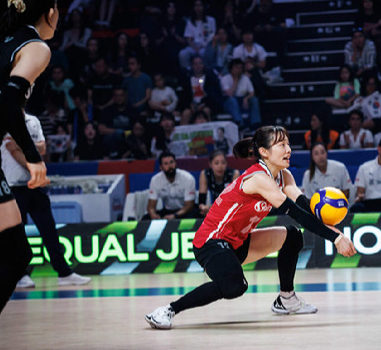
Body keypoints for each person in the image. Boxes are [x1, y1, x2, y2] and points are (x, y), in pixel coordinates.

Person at [145, 126, 356, 329]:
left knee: (293, 236)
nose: (288, 149)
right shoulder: (258, 178)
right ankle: (168, 310)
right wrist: (335, 239)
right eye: (281, 145)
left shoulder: (285, 176)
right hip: (211, 242)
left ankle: (287, 299)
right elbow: (296, 214)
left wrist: (333, 229)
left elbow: (304, 207)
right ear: (264, 152)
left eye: (288, 144)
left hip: (239, 241)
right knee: (235, 286)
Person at [0, 0, 55, 348]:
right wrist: (33, 158)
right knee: (15, 255)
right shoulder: (35, 47)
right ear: (51, 12)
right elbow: (11, 105)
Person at [1, 112, 91, 288]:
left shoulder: (33, 120)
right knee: (18, 235)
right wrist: (35, 167)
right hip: (13, 185)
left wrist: (22, 145)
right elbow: (12, 151)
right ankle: (21, 275)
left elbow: (42, 148)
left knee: (49, 230)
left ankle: (64, 273)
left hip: (35, 186)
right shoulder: (4, 119)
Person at [144, 152, 197, 220]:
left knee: (195, 216)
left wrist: (175, 216)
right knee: (146, 218)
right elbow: (151, 206)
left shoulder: (187, 178)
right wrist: (153, 215)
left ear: (176, 163)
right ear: (161, 167)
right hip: (168, 211)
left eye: (172, 162)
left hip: (186, 211)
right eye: (166, 164)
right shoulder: (155, 180)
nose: (170, 166)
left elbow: (189, 206)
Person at [220, 58, 261, 130]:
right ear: (231, 68)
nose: (238, 70)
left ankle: (255, 123)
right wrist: (236, 80)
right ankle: (240, 123)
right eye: (236, 67)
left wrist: (246, 98)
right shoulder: (225, 79)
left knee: (254, 99)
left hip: (243, 99)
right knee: (232, 100)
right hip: (229, 102)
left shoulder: (245, 78)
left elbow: (252, 92)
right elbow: (229, 94)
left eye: (240, 68)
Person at [198, 150, 240, 216]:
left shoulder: (234, 174)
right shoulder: (205, 174)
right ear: (210, 164)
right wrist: (203, 208)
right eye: (216, 163)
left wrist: (213, 207)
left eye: (223, 163)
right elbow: (201, 202)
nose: (220, 166)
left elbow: (235, 200)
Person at [179, 0, 217, 70]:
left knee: (204, 54)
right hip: (193, 46)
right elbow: (189, 39)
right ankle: (188, 71)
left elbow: (212, 36)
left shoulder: (211, 20)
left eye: (200, 5)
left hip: (206, 46)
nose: (198, 7)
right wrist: (195, 48)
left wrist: (202, 46)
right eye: (196, 5)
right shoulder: (190, 22)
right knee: (183, 54)